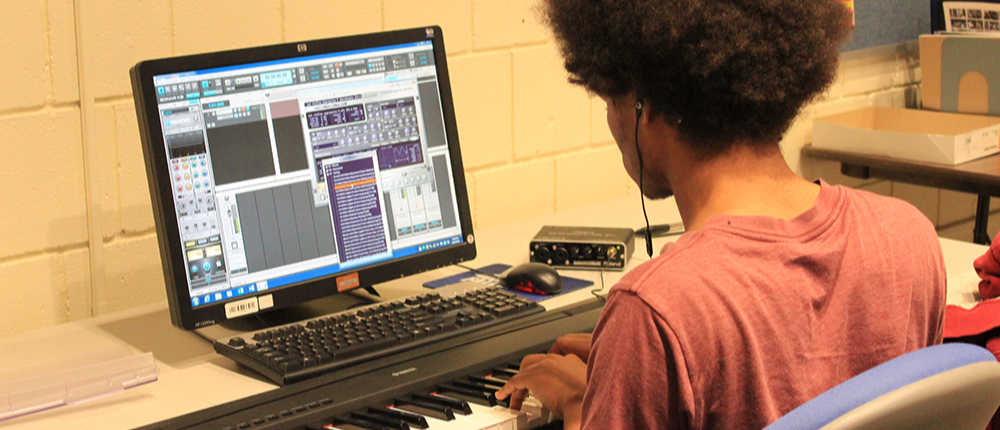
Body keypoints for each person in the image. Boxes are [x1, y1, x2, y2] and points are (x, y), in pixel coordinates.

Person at [495, 1, 947, 429]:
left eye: (610, 98)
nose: (612, 122)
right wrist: (635, 367)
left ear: (643, 104)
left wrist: (578, 400)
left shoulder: (654, 311)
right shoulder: (909, 236)